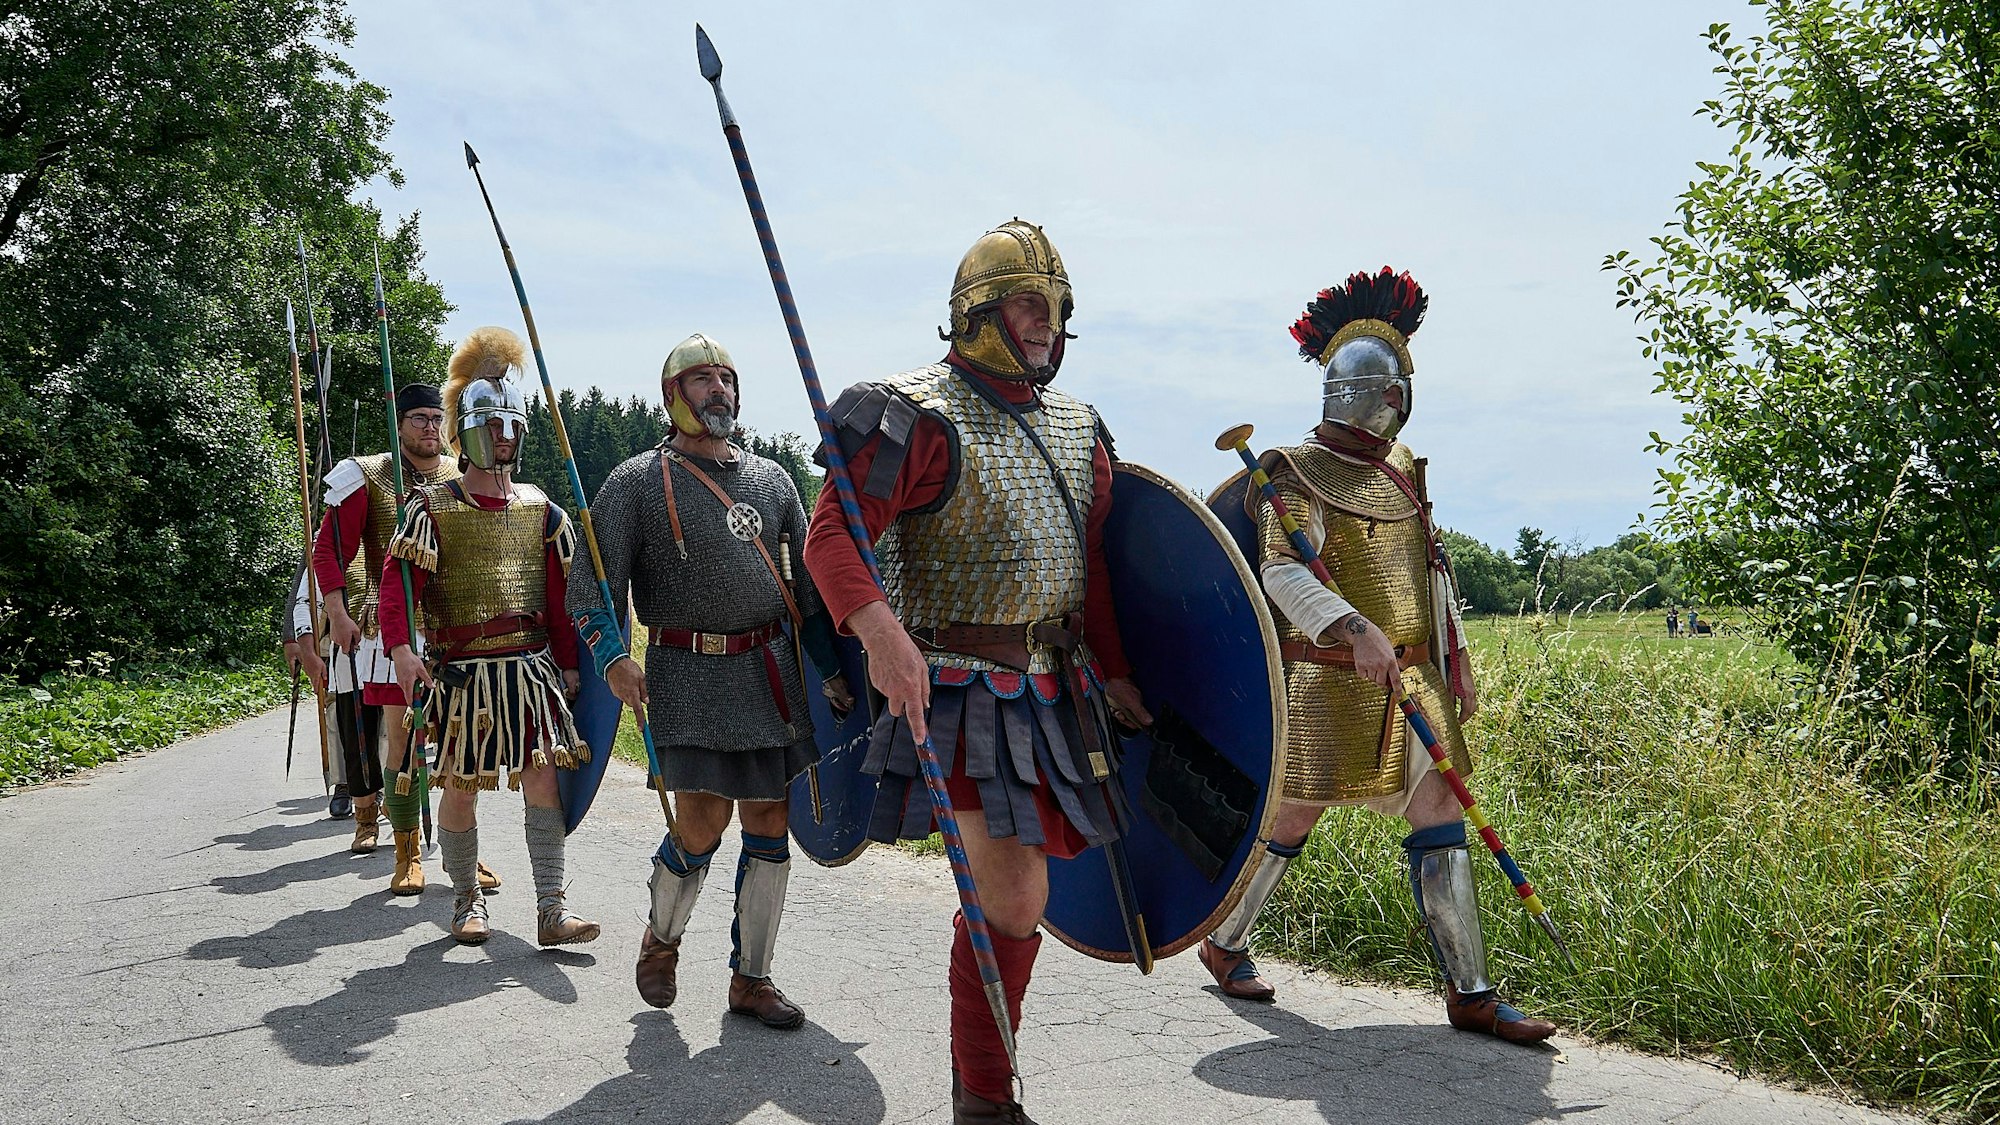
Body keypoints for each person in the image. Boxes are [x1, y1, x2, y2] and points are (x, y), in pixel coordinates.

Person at [803, 220, 1151, 1125]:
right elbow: (831, 536)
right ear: (977, 312)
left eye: (1057, 306)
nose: (1046, 322)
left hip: (1056, 691)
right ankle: (986, 1104)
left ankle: (982, 1092)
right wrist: (880, 632)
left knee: (1016, 897)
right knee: (1014, 892)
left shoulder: (1080, 429)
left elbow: (1092, 565)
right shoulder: (915, 414)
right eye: (1028, 303)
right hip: (963, 688)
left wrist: (1114, 671)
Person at [1197, 268, 1555, 1045]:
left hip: (1412, 675)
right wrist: (1352, 627)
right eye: (1392, 391)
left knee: (1442, 808)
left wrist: (1454, 655)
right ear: (1369, 394)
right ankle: (1223, 939)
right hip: (1329, 678)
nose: (1399, 403)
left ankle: (1471, 992)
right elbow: (1281, 572)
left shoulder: (1401, 472)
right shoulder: (1292, 473)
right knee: (1296, 812)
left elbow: (1431, 570)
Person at [570, 333, 852, 1028]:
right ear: (673, 396)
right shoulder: (636, 481)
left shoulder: (773, 481)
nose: (719, 388)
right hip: (687, 673)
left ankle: (751, 979)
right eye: (702, 379)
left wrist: (832, 670)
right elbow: (591, 588)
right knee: (700, 823)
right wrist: (613, 656)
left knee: (771, 820)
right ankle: (661, 939)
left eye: (727, 378)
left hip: (768, 673)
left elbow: (808, 592)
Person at [381, 326, 595, 948]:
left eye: (512, 426)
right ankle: (465, 902)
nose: (504, 436)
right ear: (469, 432)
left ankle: (551, 909)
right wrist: (401, 650)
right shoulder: (432, 508)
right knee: (461, 787)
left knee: (543, 778)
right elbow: (398, 590)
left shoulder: (540, 508)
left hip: (530, 670)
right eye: (492, 425)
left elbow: (560, 600)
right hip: (463, 672)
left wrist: (571, 663)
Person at [301, 382, 497, 898]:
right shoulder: (367, 475)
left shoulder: (462, 473)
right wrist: (337, 614)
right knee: (406, 739)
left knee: (461, 744)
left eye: (436, 419)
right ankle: (406, 851)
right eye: (419, 419)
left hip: (455, 629)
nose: (430, 428)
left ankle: (461, 851)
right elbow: (329, 552)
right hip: (396, 628)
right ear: (400, 423)